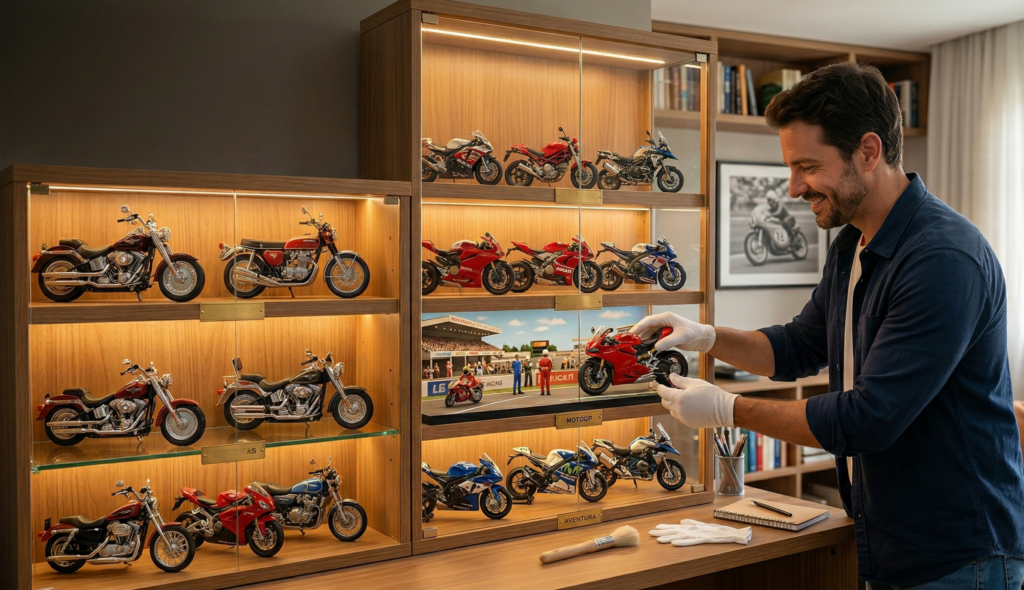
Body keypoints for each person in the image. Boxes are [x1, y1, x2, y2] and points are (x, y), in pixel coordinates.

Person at [636, 62, 1024, 590]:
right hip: (887, 542)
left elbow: (869, 419)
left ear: (868, 151)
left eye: (807, 167)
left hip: (957, 556)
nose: (794, 188)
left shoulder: (943, 258)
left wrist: (727, 408)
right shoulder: (852, 244)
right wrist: (706, 335)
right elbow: (798, 346)